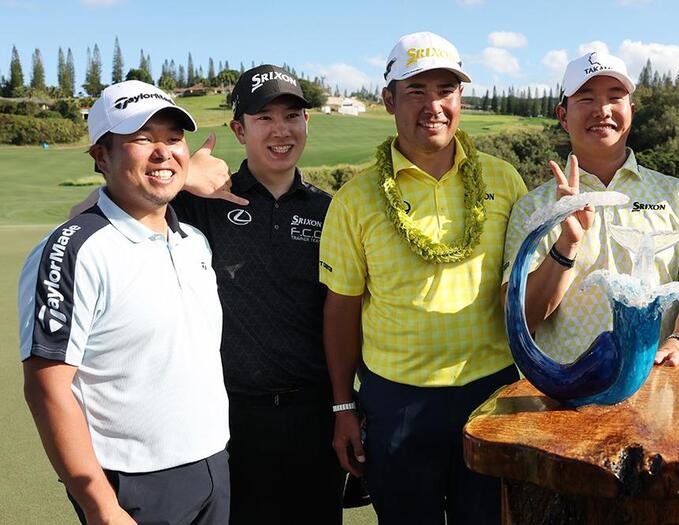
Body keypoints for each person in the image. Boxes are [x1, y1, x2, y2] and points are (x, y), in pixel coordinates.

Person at [69, 65, 345, 524]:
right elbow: (81, 222)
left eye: (292, 115)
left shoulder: (329, 210)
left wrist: (343, 407)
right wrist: (182, 177)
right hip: (228, 423)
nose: (281, 130)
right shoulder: (199, 201)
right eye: (264, 118)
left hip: (313, 417)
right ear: (239, 129)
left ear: (306, 123)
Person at [319, 31, 527, 525]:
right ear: (388, 99)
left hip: (491, 394)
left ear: (461, 98)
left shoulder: (503, 179)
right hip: (397, 403)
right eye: (416, 91)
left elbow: (521, 292)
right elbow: (341, 309)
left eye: (446, 90)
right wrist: (342, 405)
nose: (433, 105)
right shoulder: (355, 198)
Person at [19, 80, 230, 525]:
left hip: (212, 466)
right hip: (131, 484)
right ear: (101, 155)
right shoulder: (74, 250)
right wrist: (102, 508)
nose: (164, 151)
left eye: (173, 139)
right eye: (142, 139)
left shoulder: (194, 241)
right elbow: (47, 386)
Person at [502, 52, 679, 367]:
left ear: (631, 111)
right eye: (586, 98)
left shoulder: (678, 195)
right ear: (563, 116)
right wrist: (566, 245)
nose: (602, 110)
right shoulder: (533, 207)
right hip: (560, 397)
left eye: (615, 97)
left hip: (658, 389)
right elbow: (521, 319)